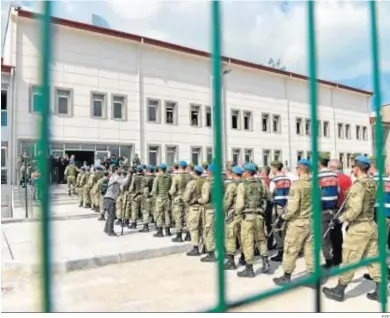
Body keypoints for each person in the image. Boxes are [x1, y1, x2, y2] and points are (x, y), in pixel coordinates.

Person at [322, 155, 383, 302]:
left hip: (359, 228)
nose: (352, 170)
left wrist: (339, 219)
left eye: (353, 167)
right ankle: (381, 290)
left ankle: (339, 290)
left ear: (357, 168)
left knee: (349, 259)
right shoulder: (372, 183)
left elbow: (354, 210)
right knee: (373, 258)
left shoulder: (358, 186)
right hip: (370, 225)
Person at [273, 159, 314, 285]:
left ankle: (286, 276)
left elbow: (292, 207)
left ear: (300, 169)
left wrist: (283, 218)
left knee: (291, 249)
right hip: (311, 221)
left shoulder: (296, 185)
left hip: (298, 223)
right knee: (310, 250)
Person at [236, 163, 270, 278]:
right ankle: (265, 262)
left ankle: (249, 268)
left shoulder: (242, 185)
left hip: (247, 217)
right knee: (261, 239)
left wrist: (237, 213)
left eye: (244, 172)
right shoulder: (262, 184)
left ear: (247, 172)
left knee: (248, 241)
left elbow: (239, 205)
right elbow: (268, 198)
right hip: (259, 216)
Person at [363, 156, 390, 281]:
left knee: (378, 246)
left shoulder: (375, 179)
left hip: (381, 216)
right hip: (386, 216)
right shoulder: (386, 179)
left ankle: (381, 273)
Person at [328, 158, 352, 266]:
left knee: (334, 233)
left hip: (336, 207)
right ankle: (339, 254)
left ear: (333, 167)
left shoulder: (333, 178)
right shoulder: (347, 178)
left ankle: (337, 256)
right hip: (345, 207)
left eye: (330, 167)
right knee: (340, 231)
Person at [318, 153, 339, 269]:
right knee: (332, 236)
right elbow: (338, 191)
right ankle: (335, 258)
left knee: (323, 237)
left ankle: (329, 261)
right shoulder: (334, 175)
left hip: (322, 210)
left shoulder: (318, 176)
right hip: (334, 209)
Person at [269, 160, 292, 262]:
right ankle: (287, 250)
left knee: (276, 229)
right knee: (286, 229)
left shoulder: (274, 180)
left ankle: (280, 251)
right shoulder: (288, 179)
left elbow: (270, 194)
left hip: (277, 207)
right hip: (287, 206)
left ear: (274, 168)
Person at [183, 165, 206, 256]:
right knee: (203, 227)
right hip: (203, 207)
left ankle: (195, 248)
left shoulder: (192, 183)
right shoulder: (205, 182)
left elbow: (186, 197)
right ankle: (205, 247)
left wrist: (187, 201)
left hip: (194, 208)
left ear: (194, 172)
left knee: (194, 228)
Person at [224, 165, 243, 270]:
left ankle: (231, 262)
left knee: (230, 236)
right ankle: (244, 258)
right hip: (243, 214)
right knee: (242, 237)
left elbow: (227, 201)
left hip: (233, 213)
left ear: (233, 174)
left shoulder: (232, 185)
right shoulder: (244, 184)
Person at [197, 163, 217, 262]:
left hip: (210, 210)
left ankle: (211, 254)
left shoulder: (207, 184)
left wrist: (198, 200)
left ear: (209, 172)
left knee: (209, 231)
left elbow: (205, 199)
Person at [169, 161, 193, 242]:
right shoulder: (190, 176)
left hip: (178, 198)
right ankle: (188, 235)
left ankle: (179, 236)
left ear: (179, 167)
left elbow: (173, 190)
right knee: (188, 216)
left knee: (178, 216)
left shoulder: (176, 177)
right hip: (187, 198)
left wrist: (170, 193)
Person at [103, 166, 125, 236]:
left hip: (109, 198)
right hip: (110, 199)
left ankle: (106, 229)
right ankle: (110, 231)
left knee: (110, 215)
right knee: (111, 216)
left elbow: (122, 186)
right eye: (120, 169)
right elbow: (123, 181)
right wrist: (128, 175)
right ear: (116, 170)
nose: (121, 170)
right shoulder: (115, 176)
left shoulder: (116, 177)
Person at [152, 163, 173, 237]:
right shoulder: (169, 177)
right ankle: (168, 231)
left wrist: (156, 197)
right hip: (167, 198)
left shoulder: (157, 178)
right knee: (167, 214)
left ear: (160, 169)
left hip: (159, 198)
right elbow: (171, 187)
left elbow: (154, 190)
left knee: (159, 215)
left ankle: (160, 231)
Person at [139, 165, 156, 232]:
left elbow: (144, 188)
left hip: (147, 197)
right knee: (154, 211)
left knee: (145, 211)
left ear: (147, 170)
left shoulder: (145, 178)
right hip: (154, 197)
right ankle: (157, 226)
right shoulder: (155, 177)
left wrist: (145, 195)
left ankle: (146, 227)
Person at [128, 165, 145, 229]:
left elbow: (131, 187)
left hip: (136, 195)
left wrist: (130, 191)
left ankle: (134, 223)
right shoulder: (144, 177)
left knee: (134, 210)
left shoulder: (134, 177)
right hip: (143, 195)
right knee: (143, 210)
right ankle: (145, 224)